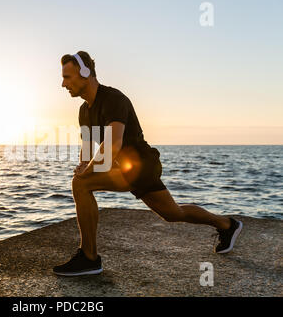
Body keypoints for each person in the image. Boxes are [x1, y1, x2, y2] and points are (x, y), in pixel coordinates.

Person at [53, 51, 243, 277]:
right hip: (124, 168)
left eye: (67, 77)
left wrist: (86, 172)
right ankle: (226, 225)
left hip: (141, 165)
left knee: (81, 185)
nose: (63, 83)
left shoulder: (113, 99)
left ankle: (89, 257)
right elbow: (87, 150)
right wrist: (83, 165)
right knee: (173, 213)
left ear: (85, 74)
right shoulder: (84, 111)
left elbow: (112, 144)